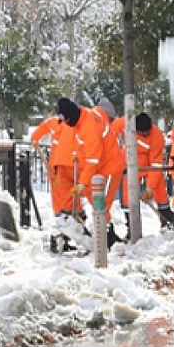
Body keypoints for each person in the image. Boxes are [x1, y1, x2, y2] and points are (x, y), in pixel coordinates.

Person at [57, 97, 125, 248]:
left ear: (72, 116)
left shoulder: (89, 126)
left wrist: (82, 182)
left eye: (67, 120)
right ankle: (104, 235)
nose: (67, 124)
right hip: (98, 167)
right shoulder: (82, 119)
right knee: (95, 200)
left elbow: (94, 157)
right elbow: (84, 147)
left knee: (102, 203)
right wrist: (76, 155)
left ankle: (107, 239)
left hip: (110, 166)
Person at [115, 112, 174, 230]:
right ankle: (131, 226)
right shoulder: (125, 123)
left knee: (159, 188)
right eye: (142, 132)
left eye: (147, 132)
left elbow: (156, 164)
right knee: (127, 193)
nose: (145, 134)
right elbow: (111, 131)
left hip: (150, 167)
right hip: (129, 166)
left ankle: (168, 220)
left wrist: (149, 188)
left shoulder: (157, 137)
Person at [30, 113, 74, 217]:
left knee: (65, 191)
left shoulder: (59, 123)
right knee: (62, 190)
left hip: (64, 164)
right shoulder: (55, 123)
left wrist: (35, 138)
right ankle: (64, 214)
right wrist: (34, 139)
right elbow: (40, 131)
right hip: (59, 165)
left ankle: (66, 213)